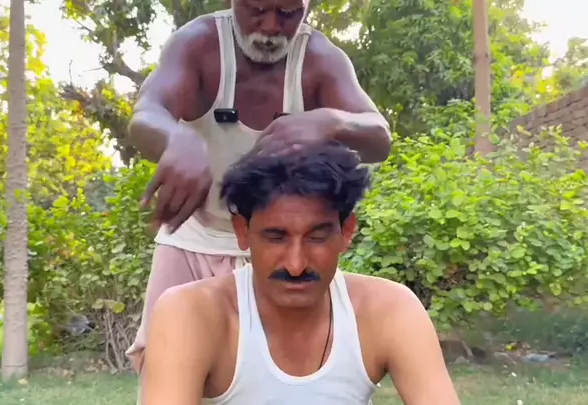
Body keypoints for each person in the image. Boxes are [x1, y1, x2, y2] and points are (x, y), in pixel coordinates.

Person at [125, 0, 392, 375]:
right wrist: (176, 140)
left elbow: (379, 137)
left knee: (280, 371)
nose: (270, 26)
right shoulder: (198, 44)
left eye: (287, 14)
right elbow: (146, 114)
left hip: (281, 246)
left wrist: (331, 122)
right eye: (256, 9)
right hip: (193, 238)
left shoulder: (319, 59)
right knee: (164, 363)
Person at [142, 141, 461, 405]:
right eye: (275, 237)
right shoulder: (191, 314)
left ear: (346, 231)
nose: (296, 265)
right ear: (242, 231)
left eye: (317, 237)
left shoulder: (389, 310)